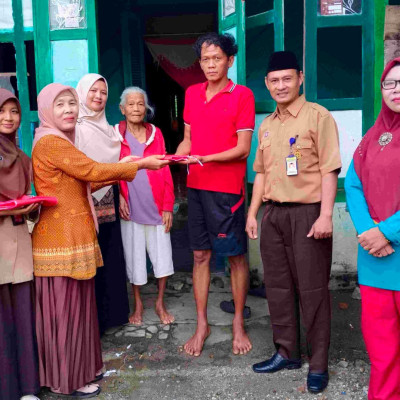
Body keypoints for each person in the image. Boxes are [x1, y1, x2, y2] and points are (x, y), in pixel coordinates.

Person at [31, 83, 169, 398]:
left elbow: (83, 183)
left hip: (69, 238)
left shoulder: (56, 140)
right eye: (61, 105)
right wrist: (140, 164)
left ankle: (74, 372)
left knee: (76, 311)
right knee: (68, 314)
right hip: (61, 241)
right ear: (47, 111)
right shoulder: (52, 142)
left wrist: (125, 170)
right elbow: (91, 170)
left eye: (71, 104)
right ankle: (68, 380)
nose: (68, 110)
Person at [246, 51, 341, 394]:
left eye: (287, 78)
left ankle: (318, 364)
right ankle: (287, 352)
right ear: (267, 85)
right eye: (274, 80)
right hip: (273, 214)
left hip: (308, 213)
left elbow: (330, 168)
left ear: (300, 78)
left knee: (312, 289)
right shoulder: (267, 125)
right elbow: (259, 173)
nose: (281, 85)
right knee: (278, 287)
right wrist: (253, 213)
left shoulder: (318, 117)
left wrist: (327, 214)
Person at [176, 32, 255, 356]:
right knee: (200, 256)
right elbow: (188, 139)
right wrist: (179, 156)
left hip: (226, 191)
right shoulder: (192, 93)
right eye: (205, 59)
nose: (210, 64)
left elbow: (243, 149)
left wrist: (205, 158)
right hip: (195, 188)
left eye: (216, 58)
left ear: (229, 60)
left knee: (235, 257)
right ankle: (202, 323)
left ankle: (238, 321)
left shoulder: (242, 95)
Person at [345, 57, 400, 400]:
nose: (397, 90)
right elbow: (352, 184)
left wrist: (387, 232)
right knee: (382, 353)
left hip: (387, 245)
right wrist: (369, 231)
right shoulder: (373, 136)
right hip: (376, 262)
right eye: (390, 83)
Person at [75, 73, 130, 335]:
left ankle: (114, 315)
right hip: (85, 200)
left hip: (109, 196)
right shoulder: (74, 127)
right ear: (82, 93)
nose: (98, 96)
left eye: (103, 92)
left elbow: (116, 169)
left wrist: (119, 195)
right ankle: (93, 322)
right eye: (93, 91)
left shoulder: (109, 129)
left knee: (110, 255)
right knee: (91, 260)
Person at [118, 86, 175, 325]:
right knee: (134, 258)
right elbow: (111, 168)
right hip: (130, 206)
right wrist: (119, 195)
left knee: (162, 257)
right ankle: (138, 304)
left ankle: (160, 303)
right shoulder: (115, 134)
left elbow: (165, 167)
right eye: (130, 104)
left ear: (146, 108)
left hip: (156, 204)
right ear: (122, 109)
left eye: (140, 104)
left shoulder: (156, 133)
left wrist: (168, 205)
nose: (135, 108)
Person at [0, 89, 40, 400]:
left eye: (14, 112)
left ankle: (28, 387)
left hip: (20, 239)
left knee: (24, 313)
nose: (9, 118)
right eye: (2, 111)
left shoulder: (22, 156)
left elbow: (28, 194)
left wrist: (32, 205)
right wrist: (13, 208)